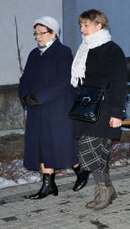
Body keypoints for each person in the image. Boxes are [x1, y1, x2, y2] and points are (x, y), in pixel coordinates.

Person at [19, 16, 82, 199]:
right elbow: (25, 79)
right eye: (36, 33)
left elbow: (64, 81)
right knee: (41, 145)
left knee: (60, 145)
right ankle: (48, 185)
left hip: (57, 107)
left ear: (53, 33)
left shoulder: (63, 52)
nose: (38, 37)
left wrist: (39, 97)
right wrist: (25, 96)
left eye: (42, 33)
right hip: (36, 108)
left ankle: (81, 171)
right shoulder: (34, 54)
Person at [70, 9, 127, 210]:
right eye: (81, 25)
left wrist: (117, 113)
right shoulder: (84, 49)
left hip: (105, 110)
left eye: (86, 25)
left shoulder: (112, 50)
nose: (82, 29)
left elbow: (119, 84)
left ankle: (105, 191)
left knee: (92, 152)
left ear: (99, 25)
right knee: (96, 153)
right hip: (86, 109)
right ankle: (105, 190)